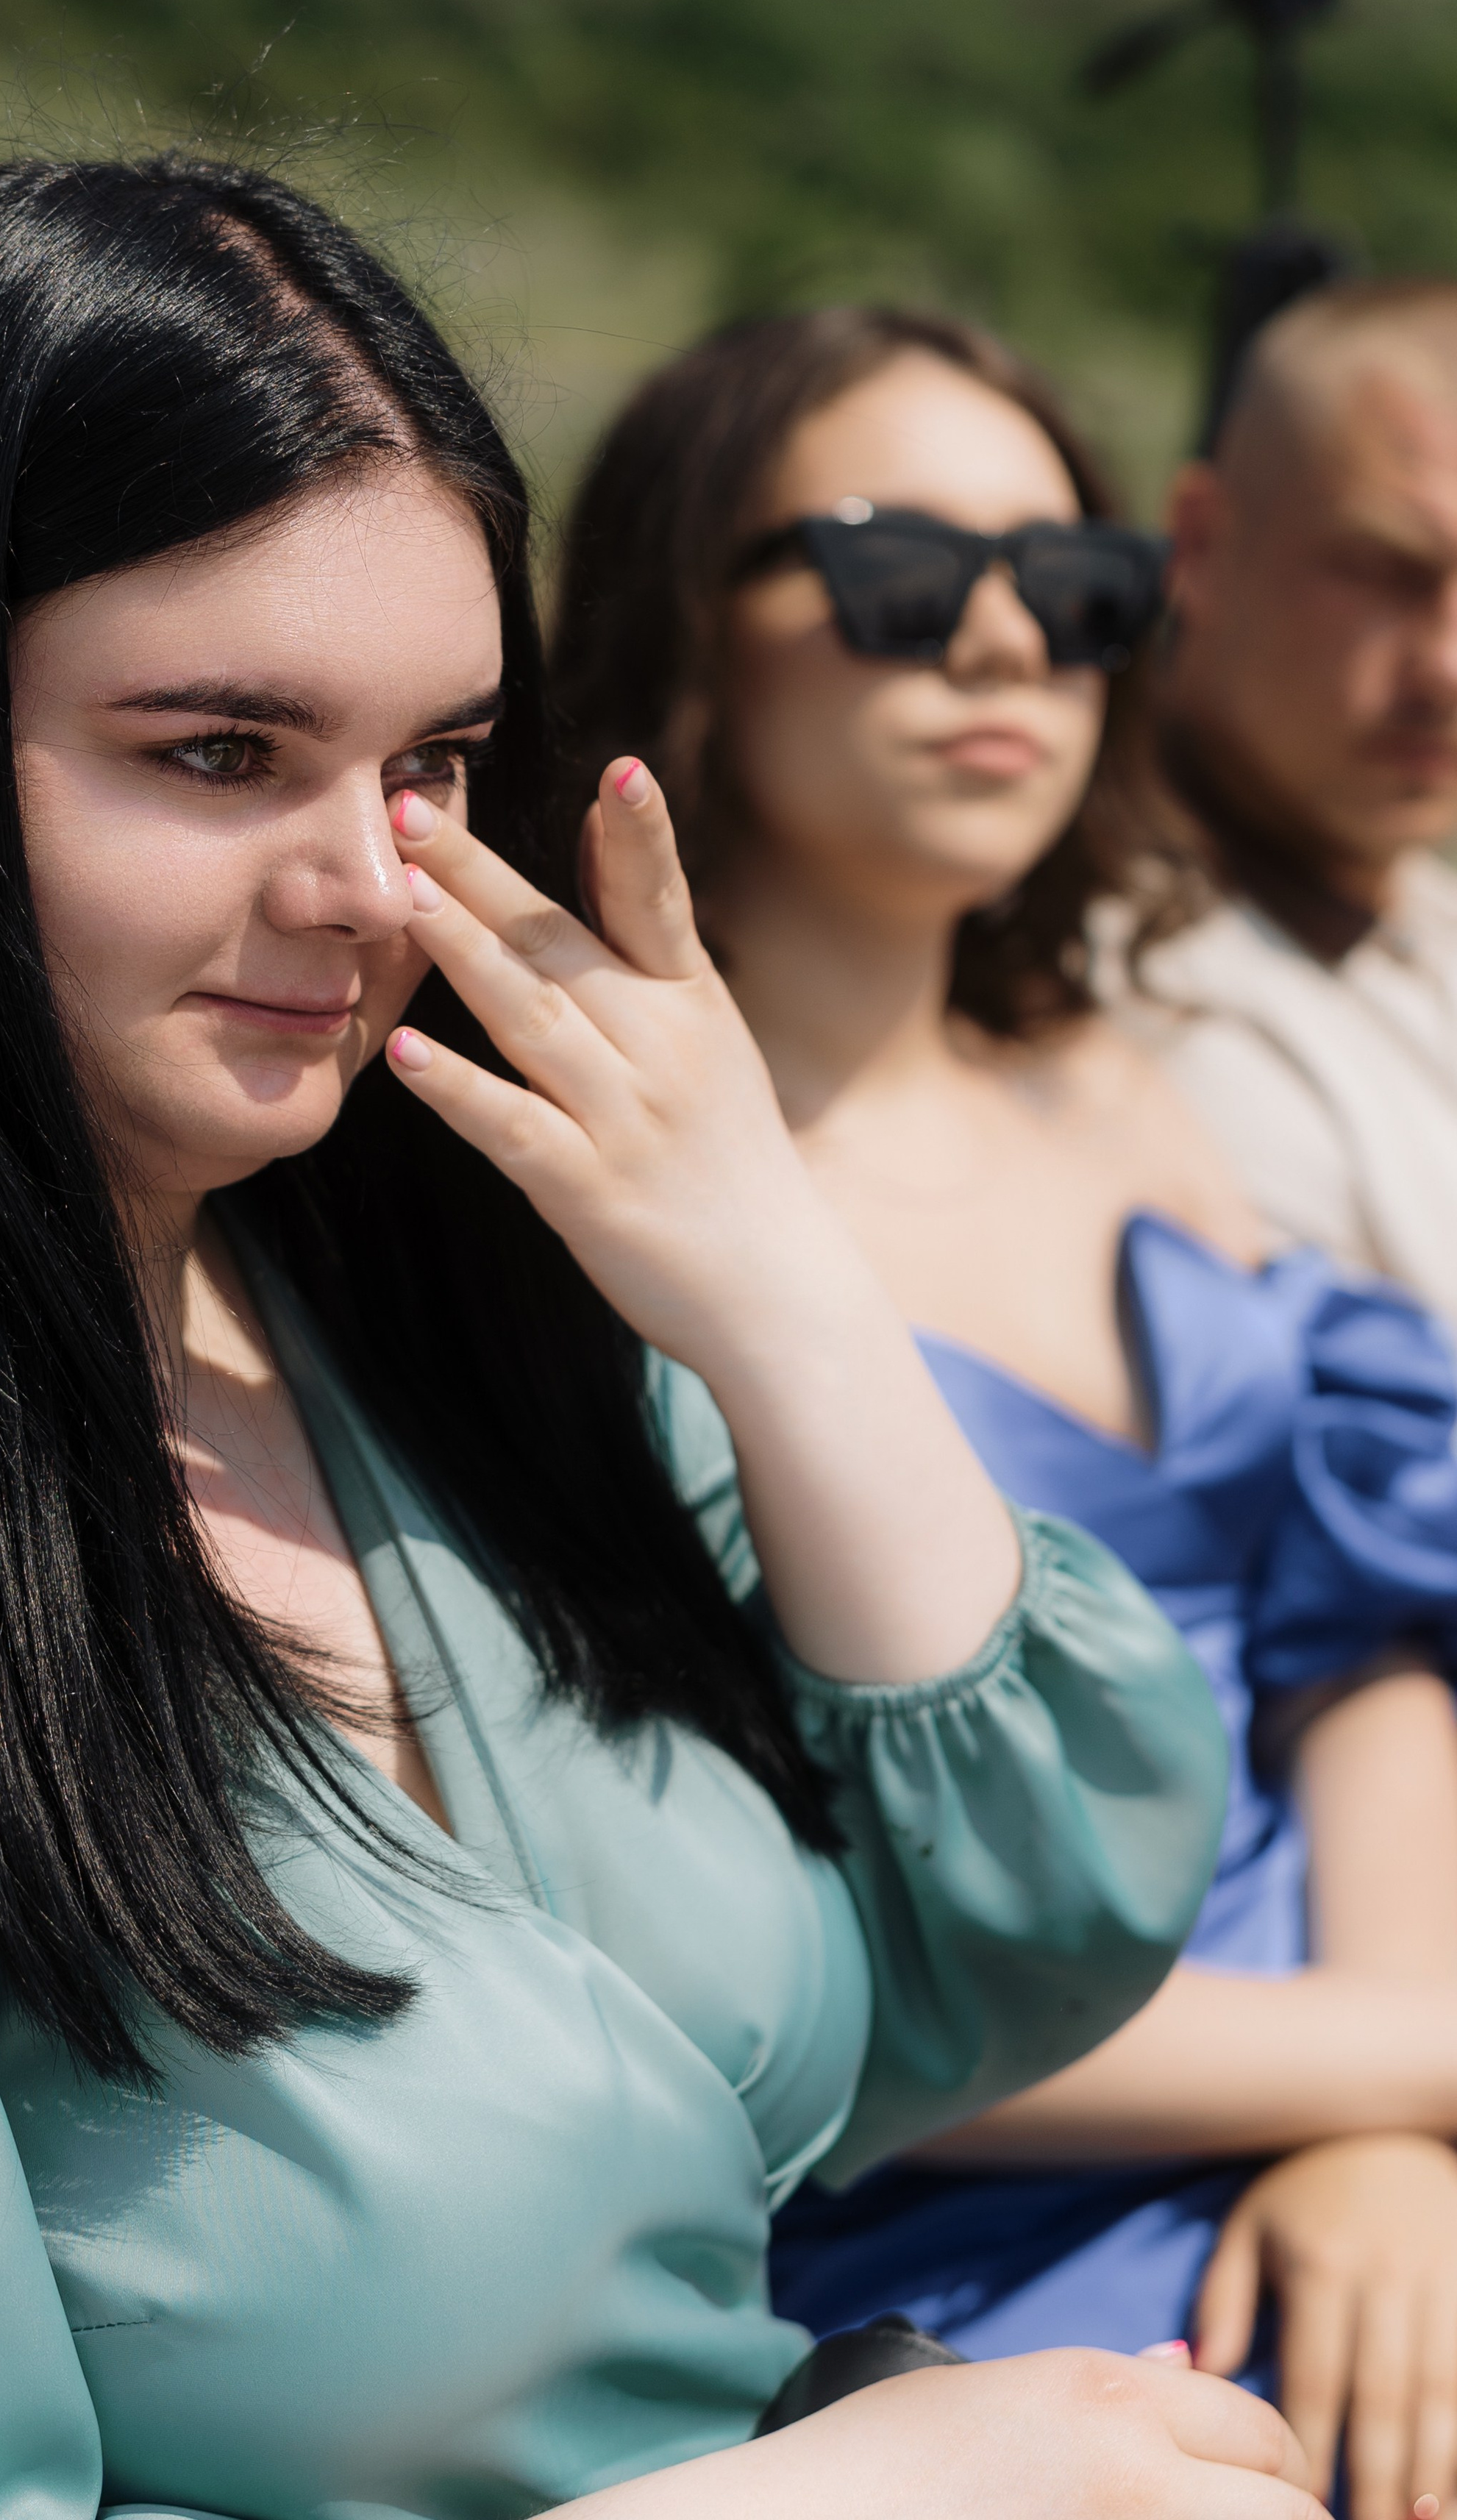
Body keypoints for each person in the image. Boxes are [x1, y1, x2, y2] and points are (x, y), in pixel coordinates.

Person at [0, 159, 1301, 2520]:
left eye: (429, 760)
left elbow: (1004, 1927)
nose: (362, 884)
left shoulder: (420, 1304)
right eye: (216, 752)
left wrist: (772, 1283)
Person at [551, 303, 1457, 2520]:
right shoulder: (581, 1182)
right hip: (930, 2255)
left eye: (1071, 589)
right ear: (690, 608)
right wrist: (1398, 2067)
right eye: (890, 568)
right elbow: (728, 1950)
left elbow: (1354, 1629)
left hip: (1348, 2157)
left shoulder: (1129, 1090)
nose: (997, 642)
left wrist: (1378, 2112)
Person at [1112, 280, 1457, 1326]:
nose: (1447, 665)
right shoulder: (1122, 989)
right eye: (1388, 570)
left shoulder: (1413, 903)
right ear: (1201, 544)